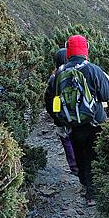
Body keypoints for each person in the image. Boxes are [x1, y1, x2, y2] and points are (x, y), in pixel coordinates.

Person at [45, 35, 109, 206]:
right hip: (95, 122)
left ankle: (84, 184)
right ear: (86, 50)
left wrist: (60, 119)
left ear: (68, 50)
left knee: (80, 153)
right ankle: (92, 194)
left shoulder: (59, 72)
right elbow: (108, 94)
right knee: (94, 155)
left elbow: (49, 100)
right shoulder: (93, 69)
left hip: (72, 124)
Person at [44, 48, 79, 176]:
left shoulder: (54, 77)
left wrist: (55, 117)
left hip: (62, 117)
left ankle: (74, 167)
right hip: (79, 116)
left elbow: (49, 100)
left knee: (66, 140)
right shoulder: (77, 73)